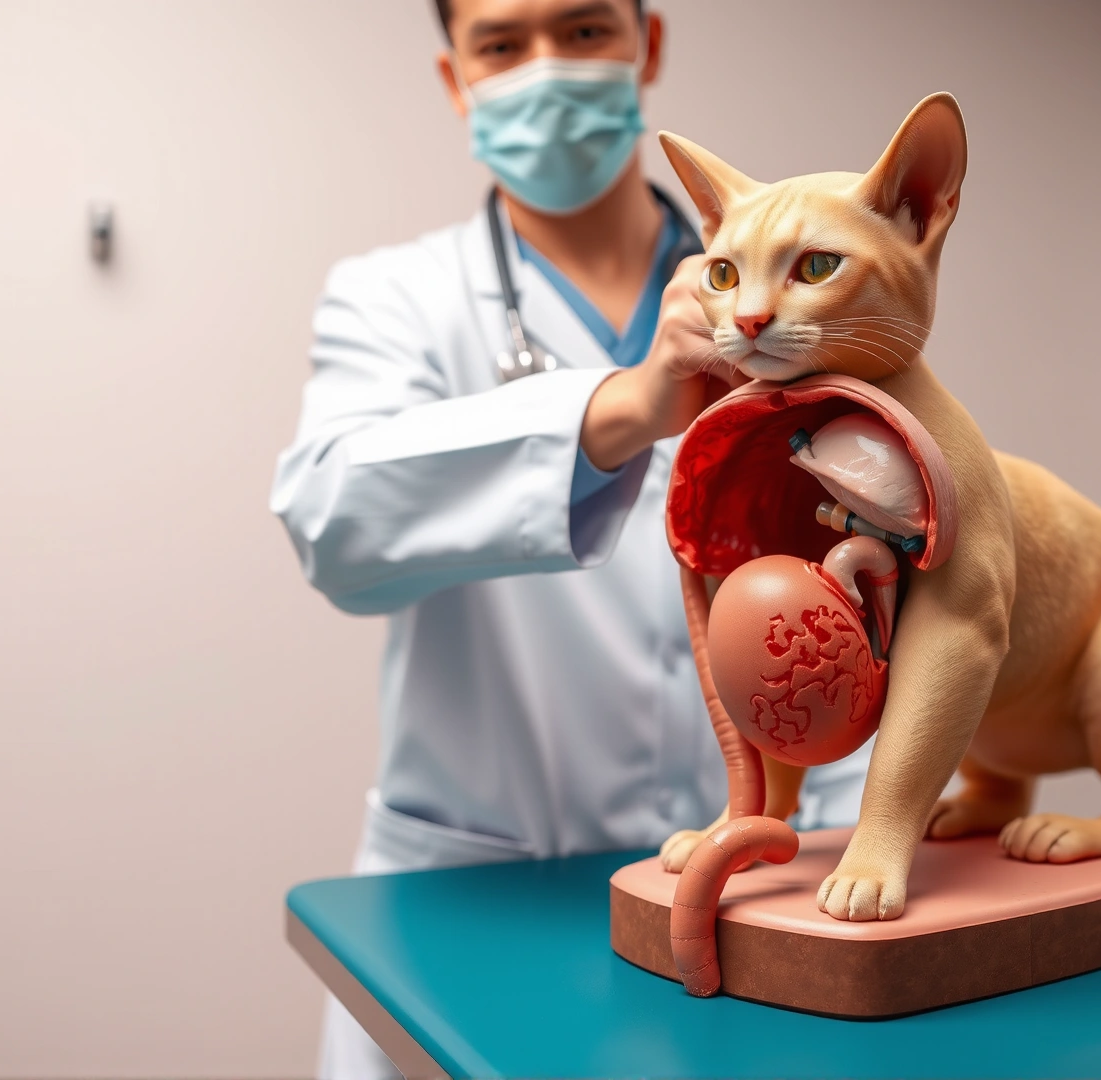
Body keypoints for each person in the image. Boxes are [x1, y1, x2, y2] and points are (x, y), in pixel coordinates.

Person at [270, 1, 873, 1074]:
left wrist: (844, 844)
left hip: (748, 899)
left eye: (584, 29)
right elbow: (331, 522)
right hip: (470, 904)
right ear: (456, 78)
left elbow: (857, 595)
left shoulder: (781, 300)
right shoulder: (396, 297)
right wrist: (623, 409)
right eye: (502, 44)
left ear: (648, 44)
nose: (546, 70)